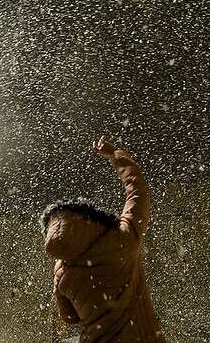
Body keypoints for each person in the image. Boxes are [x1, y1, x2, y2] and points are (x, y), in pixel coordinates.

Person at [40, 136, 164, 342]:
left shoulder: (61, 272)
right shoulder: (122, 239)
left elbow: (69, 317)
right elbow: (137, 190)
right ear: (88, 217)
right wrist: (114, 155)